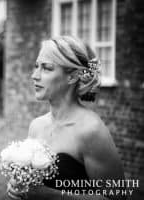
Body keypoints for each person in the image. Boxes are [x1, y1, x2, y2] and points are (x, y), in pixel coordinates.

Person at [7, 36, 125, 200]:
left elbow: (117, 197)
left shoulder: (91, 130)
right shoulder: (36, 126)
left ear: (72, 76)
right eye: (36, 67)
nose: (35, 75)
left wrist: (50, 195)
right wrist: (17, 185)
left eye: (46, 68)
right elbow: (32, 186)